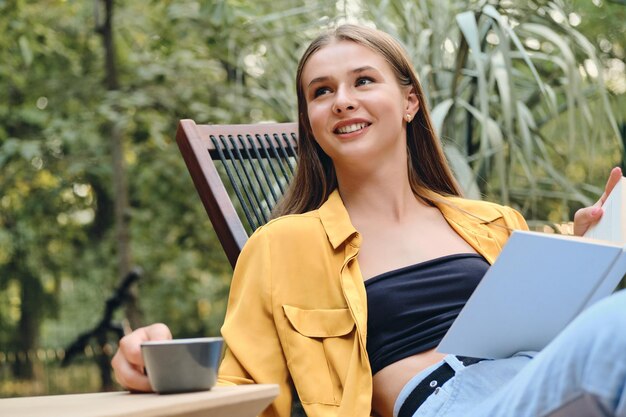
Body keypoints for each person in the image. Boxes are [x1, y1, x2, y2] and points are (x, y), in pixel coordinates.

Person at [112, 25, 626, 417]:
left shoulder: (493, 222)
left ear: (409, 101)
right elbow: (248, 391)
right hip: (451, 401)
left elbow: (551, 336)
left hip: (540, 382)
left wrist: (588, 253)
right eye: (321, 91)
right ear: (310, 123)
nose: (343, 101)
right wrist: (159, 371)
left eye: (362, 80)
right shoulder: (281, 246)